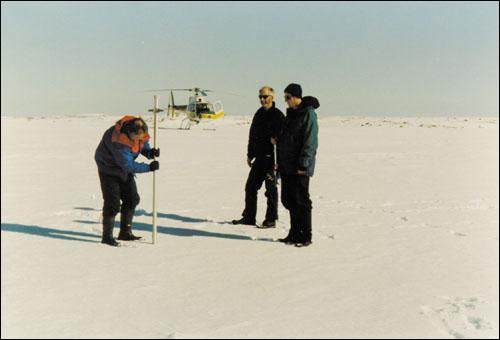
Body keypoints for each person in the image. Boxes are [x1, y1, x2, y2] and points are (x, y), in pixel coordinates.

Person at [94, 116, 160, 246]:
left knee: (132, 199)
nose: (139, 139)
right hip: (109, 169)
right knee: (112, 204)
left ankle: (125, 232)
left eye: (141, 137)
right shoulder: (118, 141)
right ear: (129, 134)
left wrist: (149, 153)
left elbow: (142, 144)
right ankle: (107, 237)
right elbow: (128, 166)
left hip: (123, 167)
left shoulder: (139, 132)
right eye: (136, 137)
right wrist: (148, 167)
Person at [232, 86, 285, 228]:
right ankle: (249, 217)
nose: (262, 100)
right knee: (250, 187)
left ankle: (271, 219)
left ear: (272, 97)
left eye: (265, 97)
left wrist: (279, 159)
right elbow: (252, 135)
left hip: (271, 159)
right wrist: (250, 154)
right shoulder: (259, 114)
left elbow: (285, 138)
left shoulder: (278, 115)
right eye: (260, 97)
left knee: (271, 190)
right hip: (259, 158)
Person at [275, 83, 319, 247]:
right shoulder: (291, 115)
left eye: (288, 97)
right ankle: (294, 233)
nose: (286, 101)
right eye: (285, 97)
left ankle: (305, 235)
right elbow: (287, 137)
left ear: (296, 97)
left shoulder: (308, 114)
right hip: (287, 165)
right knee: (288, 199)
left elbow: (311, 140)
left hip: (300, 166)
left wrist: (304, 163)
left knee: (301, 201)